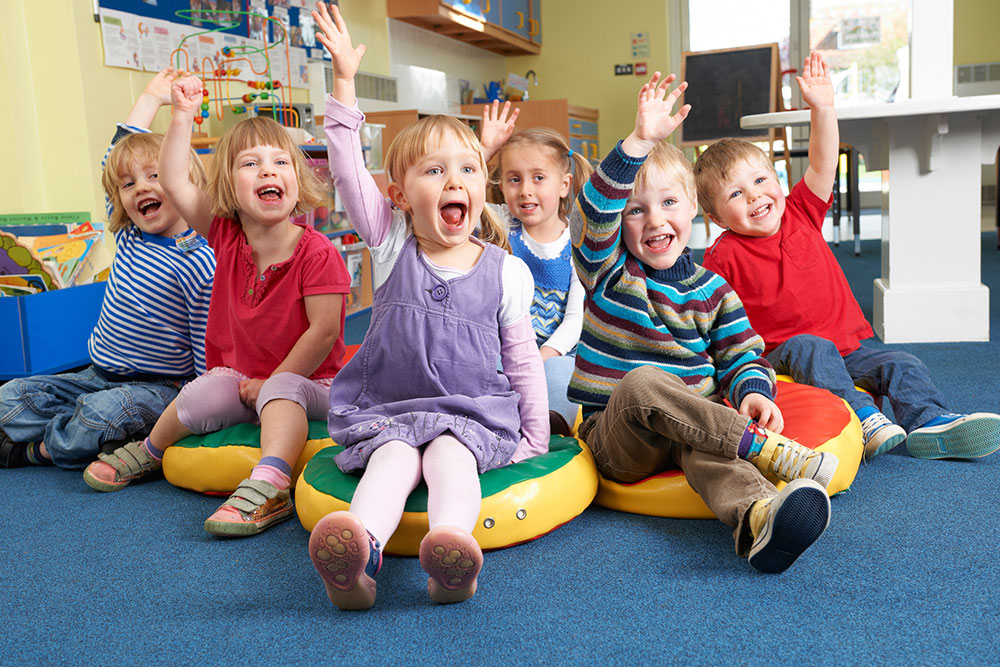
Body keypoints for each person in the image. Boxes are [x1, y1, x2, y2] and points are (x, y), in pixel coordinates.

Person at [308, 1, 548, 609]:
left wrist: (534, 439)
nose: (453, 181)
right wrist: (342, 84)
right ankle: (356, 557)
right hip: (391, 407)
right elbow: (345, 173)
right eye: (433, 171)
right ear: (398, 196)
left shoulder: (506, 272)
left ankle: (451, 555)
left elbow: (521, 362)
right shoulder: (390, 243)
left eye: (467, 169)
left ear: (483, 187)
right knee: (390, 461)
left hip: (469, 414)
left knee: (450, 460)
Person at [572, 71, 838, 574]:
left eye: (670, 203)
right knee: (644, 381)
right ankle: (763, 449)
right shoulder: (607, 273)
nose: (655, 221)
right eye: (636, 211)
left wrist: (753, 392)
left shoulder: (713, 290)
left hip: (694, 426)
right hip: (619, 438)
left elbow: (740, 354)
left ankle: (759, 519)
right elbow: (596, 211)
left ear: (694, 208)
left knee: (707, 449)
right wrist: (638, 143)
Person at [81, 72, 352, 538]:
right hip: (242, 381)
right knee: (202, 390)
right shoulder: (225, 235)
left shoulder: (317, 252)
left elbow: (323, 332)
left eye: (280, 162)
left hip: (312, 383)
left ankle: (269, 484)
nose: (268, 171)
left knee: (281, 393)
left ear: (297, 177)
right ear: (228, 185)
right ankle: (150, 450)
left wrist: (274, 380)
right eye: (251, 164)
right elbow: (172, 179)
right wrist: (181, 114)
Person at [697, 52, 1000, 460]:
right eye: (736, 194)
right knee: (812, 348)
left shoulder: (801, 210)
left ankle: (931, 422)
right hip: (785, 352)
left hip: (850, 347)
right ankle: (863, 416)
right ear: (716, 217)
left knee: (902, 363)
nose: (754, 195)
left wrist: (823, 107)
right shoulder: (723, 254)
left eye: (760, 180)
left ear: (777, 180)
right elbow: (709, 315)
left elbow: (823, 164)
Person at [0, 68, 215, 470]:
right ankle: (83, 431)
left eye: (156, 177)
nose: (141, 188)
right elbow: (112, 159)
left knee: (99, 416)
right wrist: (150, 98)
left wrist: (200, 406)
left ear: (184, 182)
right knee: (8, 396)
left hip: (157, 386)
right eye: (129, 185)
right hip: (95, 372)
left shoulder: (199, 259)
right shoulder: (131, 234)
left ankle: (37, 450)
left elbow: (206, 340)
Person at [477, 102, 593, 431]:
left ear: (563, 185)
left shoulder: (578, 242)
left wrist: (543, 357)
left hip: (555, 352)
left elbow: (574, 318)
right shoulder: (498, 225)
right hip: (504, 347)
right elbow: (463, 189)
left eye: (538, 178)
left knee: (562, 377)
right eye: (514, 179)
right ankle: (492, 418)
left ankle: (552, 425)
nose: (525, 189)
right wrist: (485, 150)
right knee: (486, 368)